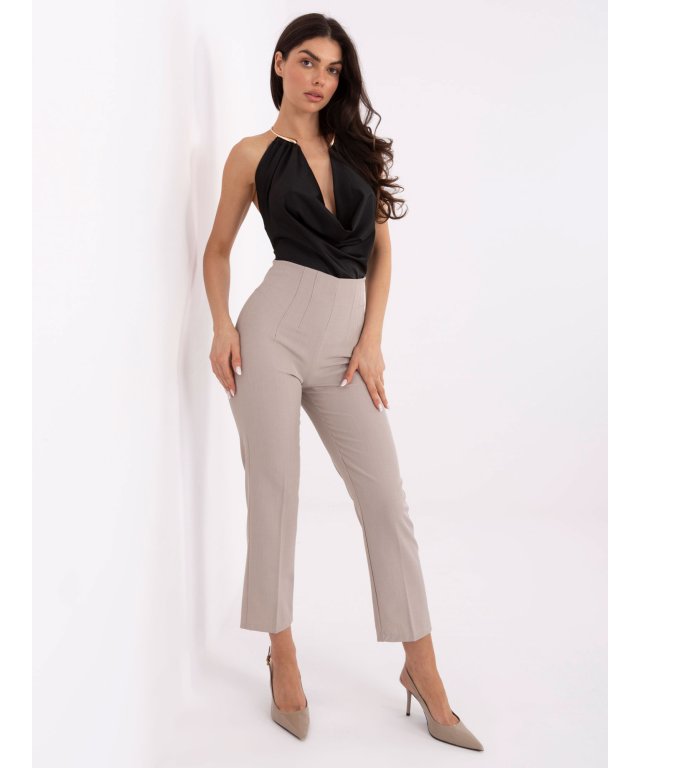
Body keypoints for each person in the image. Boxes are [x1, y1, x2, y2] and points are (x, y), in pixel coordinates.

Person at [202, 13, 483, 751]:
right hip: (271, 333)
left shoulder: (356, 151)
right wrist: (222, 325)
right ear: (279, 63)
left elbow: (381, 253)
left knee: (386, 502)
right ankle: (282, 651)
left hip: (345, 350)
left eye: (332, 68)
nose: (319, 79)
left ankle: (422, 666)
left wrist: (372, 340)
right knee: (275, 492)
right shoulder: (251, 155)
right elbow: (218, 249)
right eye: (306, 61)